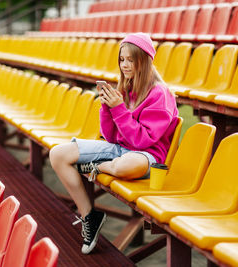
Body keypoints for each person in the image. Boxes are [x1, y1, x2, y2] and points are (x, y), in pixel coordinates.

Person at [49, 33, 179, 254]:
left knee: (126, 166)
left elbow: (141, 140)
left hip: (146, 155)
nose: (124, 65)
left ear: (144, 60)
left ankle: (96, 167)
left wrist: (119, 109)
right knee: (58, 154)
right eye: (122, 59)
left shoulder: (160, 94)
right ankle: (89, 216)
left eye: (130, 59)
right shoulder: (126, 87)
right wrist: (107, 108)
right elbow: (110, 137)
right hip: (119, 148)